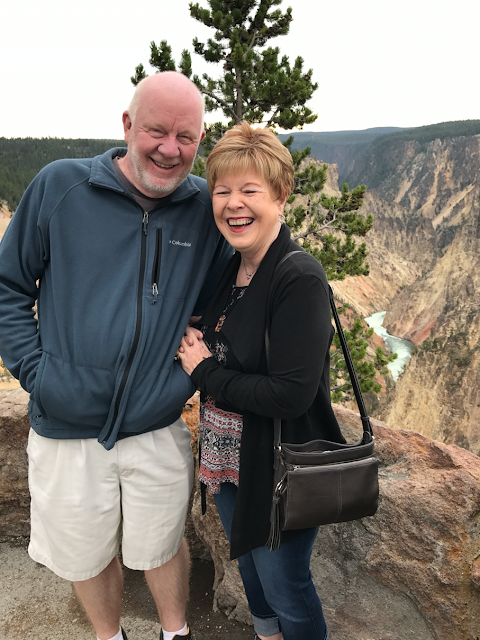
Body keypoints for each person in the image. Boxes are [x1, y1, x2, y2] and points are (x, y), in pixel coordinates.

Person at [0, 72, 232, 640]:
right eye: (156, 131)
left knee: (161, 543)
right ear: (127, 125)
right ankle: (110, 636)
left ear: (199, 140)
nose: (170, 149)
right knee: (85, 551)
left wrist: (181, 381)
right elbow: (8, 287)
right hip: (66, 420)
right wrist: (38, 374)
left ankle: (175, 632)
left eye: (186, 137)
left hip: (156, 419)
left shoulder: (204, 209)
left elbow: (229, 301)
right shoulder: (61, 187)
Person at [177, 122, 345, 640]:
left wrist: (205, 370)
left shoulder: (299, 277)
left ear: (280, 195)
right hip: (228, 458)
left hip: (277, 466)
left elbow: (290, 394)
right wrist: (197, 334)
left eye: (250, 190)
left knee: (285, 585)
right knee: (250, 570)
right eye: (222, 191)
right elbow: (231, 336)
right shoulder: (233, 270)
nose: (234, 204)